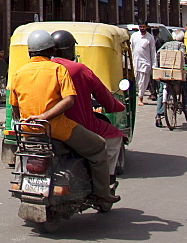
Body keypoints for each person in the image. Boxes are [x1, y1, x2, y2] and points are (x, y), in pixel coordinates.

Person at [9, 29, 118, 203]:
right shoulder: (58, 69)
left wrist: (30, 119)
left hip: (29, 130)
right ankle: (102, 194)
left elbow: (15, 107)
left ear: (30, 52)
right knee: (99, 147)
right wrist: (44, 116)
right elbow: (69, 101)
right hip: (58, 128)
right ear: (51, 51)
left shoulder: (18, 73)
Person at [50, 29, 126, 178]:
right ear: (71, 49)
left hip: (40, 125)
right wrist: (116, 106)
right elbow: (103, 96)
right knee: (112, 137)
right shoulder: (78, 69)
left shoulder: (39, 69)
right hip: (75, 125)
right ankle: (104, 182)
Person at [154, 29, 187, 125]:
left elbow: (158, 54)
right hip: (176, 73)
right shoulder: (181, 45)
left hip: (165, 72)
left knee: (161, 92)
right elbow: (183, 56)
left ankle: (159, 114)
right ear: (182, 38)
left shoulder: (166, 44)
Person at [130, 22, 156, 105]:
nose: (142, 28)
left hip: (145, 63)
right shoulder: (134, 36)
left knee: (143, 82)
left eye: (143, 27)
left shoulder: (150, 38)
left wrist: (154, 65)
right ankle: (133, 98)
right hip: (135, 62)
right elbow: (131, 49)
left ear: (146, 27)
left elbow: (153, 52)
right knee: (135, 81)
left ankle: (140, 99)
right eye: (140, 27)